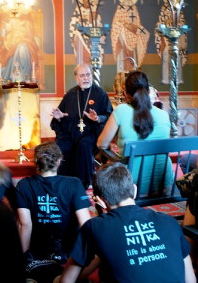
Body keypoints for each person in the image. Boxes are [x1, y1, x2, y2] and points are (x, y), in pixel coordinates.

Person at [57, 162, 196, 283]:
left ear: (99, 201)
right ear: (134, 190)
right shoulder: (170, 222)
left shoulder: (94, 227)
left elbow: (66, 280)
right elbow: (190, 280)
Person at [15, 141, 91, 283]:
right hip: (69, 253)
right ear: (59, 161)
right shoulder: (74, 183)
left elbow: (24, 225)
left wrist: (23, 258)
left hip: (38, 251)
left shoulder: (24, 185)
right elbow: (86, 224)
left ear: (36, 162)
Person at [97, 71, 172, 195]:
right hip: (163, 184)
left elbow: (101, 144)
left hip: (131, 186)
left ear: (126, 94)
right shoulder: (164, 115)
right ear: (149, 91)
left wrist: (110, 149)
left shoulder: (121, 111)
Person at [50, 63, 113, 189]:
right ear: (76, 78)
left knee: (83, 145)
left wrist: (98, 118)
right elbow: (61, 114)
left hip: (91, 135)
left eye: (88, 75)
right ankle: (61, 182)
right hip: (70, 134)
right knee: (59, 147)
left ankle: (82, 183)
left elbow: (109, 115)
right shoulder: (70, 95)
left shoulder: (100, 94)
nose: (86, 78)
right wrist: (59, 117)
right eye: (82, 75)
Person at [111, 0, 150, 72]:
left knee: (133, 58)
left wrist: (133, 27)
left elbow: (137, 23)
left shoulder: (134, 8)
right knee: (123, 56)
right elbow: (115, 24)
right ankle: (122, 73)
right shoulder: (120, 8)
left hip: (133, 36)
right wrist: (124, 25)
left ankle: (132, 72)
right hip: (122, 36)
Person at [155, 0, 187, 84]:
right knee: (165, 57)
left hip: (176, 37)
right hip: (166, 37)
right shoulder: (164, 8)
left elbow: (182, 22)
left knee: (177, 57)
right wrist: (165, 23)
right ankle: (165, 79)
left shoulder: (178, 8)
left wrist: (176, 23)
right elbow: (159, 23)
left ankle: (178, 78)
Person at [69, 0, 105, 64]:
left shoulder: (94, 8)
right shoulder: (78, 8)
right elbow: (73, 23)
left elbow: (98, 24)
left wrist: (92, 22)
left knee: (93, 61)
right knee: (82, 62)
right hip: (80, 39)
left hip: (91, 37)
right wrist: (78, 22)